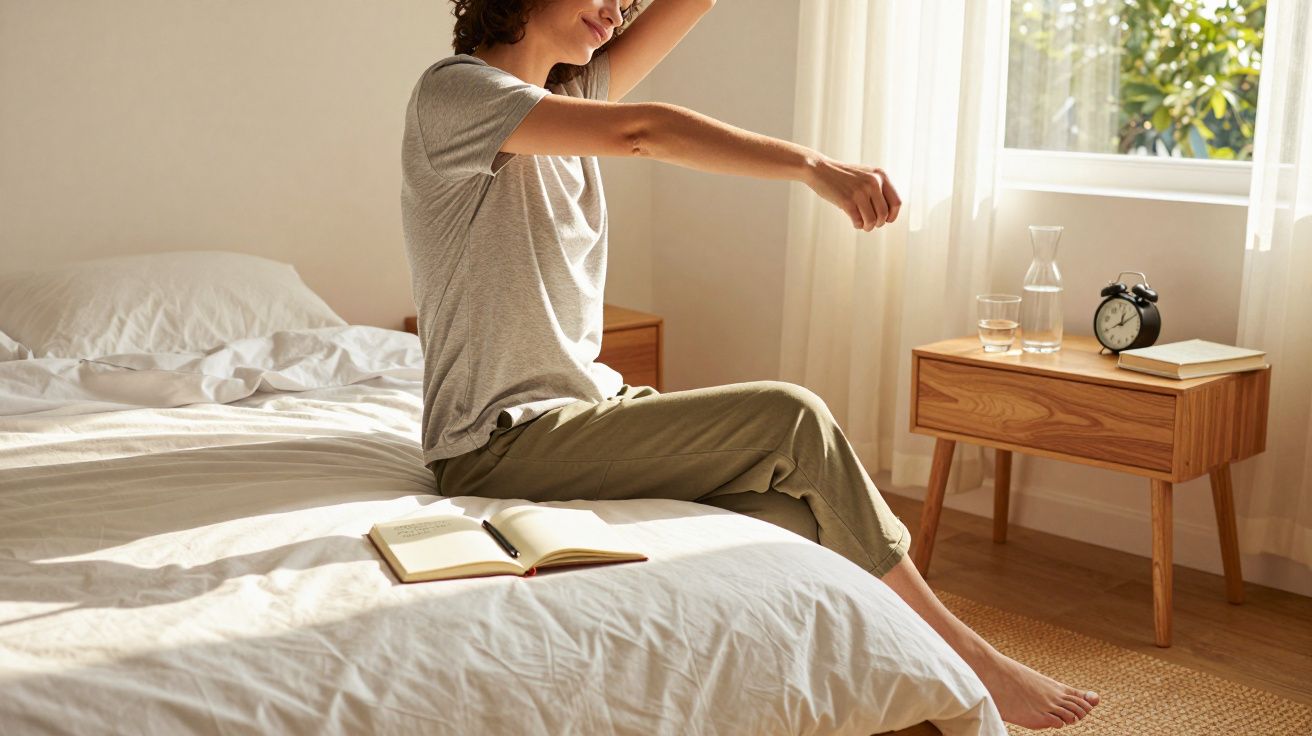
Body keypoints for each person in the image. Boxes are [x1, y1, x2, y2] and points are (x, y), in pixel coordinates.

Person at [400, 0, 1101, 729]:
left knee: (801, 514)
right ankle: (970, 658)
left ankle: (886, 688)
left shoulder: (571, 96)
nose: (618, 11)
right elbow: (645, 132)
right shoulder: (456, 95)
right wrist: (813, 167)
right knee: (791, 420)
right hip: (497, 442)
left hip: (584, 413)